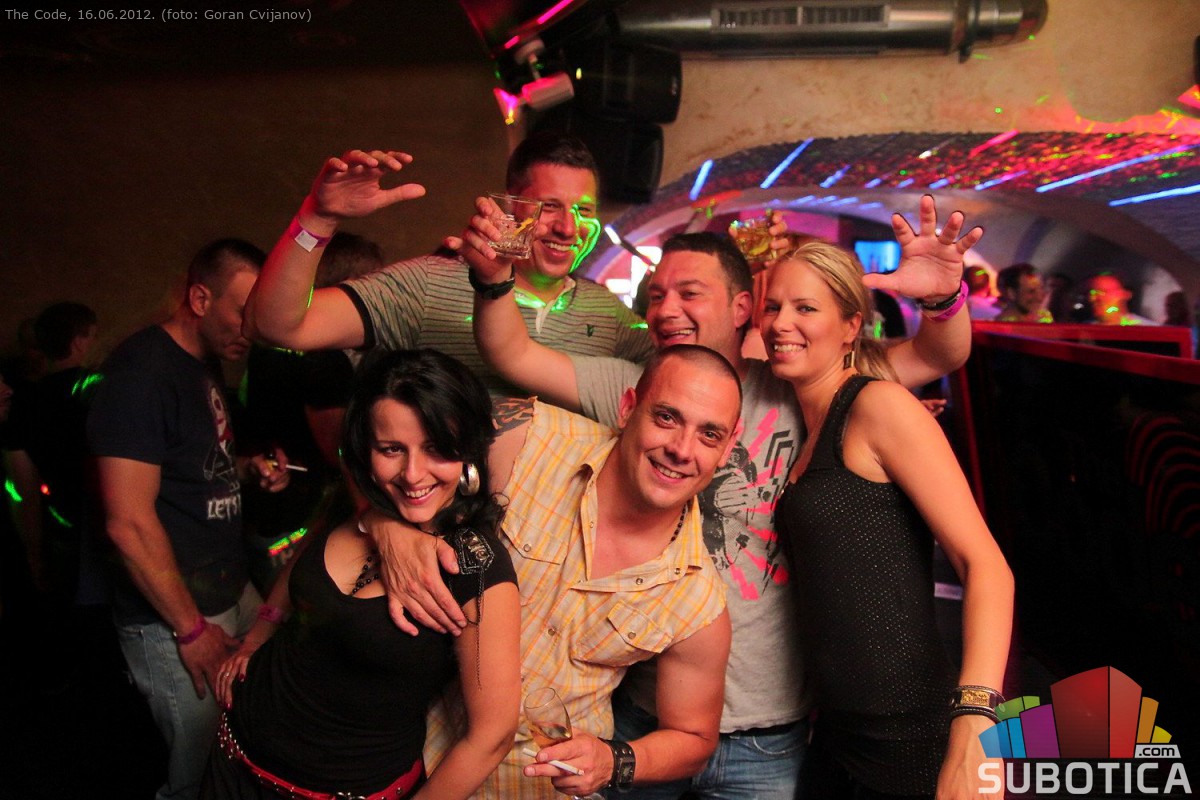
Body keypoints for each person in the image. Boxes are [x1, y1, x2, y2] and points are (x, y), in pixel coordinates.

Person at [402, 194, 978, 799]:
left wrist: (942, 298)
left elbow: (937, 354)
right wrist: (494, 282)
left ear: (740, 308)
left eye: (689, 293)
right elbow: (512, 353)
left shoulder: (796, 381)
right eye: (656, 295)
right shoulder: (634, 385)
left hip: (768, 731)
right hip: (645, 714)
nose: (667, 309)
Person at [370, 345, 738, 798]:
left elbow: (694, 739)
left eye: (709, 435)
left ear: (727, 449)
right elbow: (383, 448)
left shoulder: (698, 599)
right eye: (666, 417)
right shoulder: (530, 437)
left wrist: (613, 760)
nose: (682, 449)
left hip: (532, 787)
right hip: (403, 748)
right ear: (628, 408)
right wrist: (385, 526)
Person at [201, 348, 521, 800]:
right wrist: (257, 636)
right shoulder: (358, 508)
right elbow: (300, 565)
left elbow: (492, 737)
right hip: (231, 761)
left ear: (467, 449)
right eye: (392, 449)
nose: (413, 475)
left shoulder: (476, 567)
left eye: (436, 448)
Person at [760, 240, 1014, 799]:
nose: (781, 323)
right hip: (838, 737)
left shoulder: (879, 406)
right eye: (772, 307)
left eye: (805, 308)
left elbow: (987, 566)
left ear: (851, 325)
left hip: (912, 739)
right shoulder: (806, 418)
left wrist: (975, 725)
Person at [87, 238, 293, 800]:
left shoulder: (202, 365)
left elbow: (192, 467)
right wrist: (192, 629)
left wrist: (248, 469)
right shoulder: (140, 373)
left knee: (240, 741)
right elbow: (127, 522)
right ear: (200, 299)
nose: (253, 328)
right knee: (198, 776)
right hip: (175, 615)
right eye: (243, 312)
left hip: (227, 588)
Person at [242, 136, 654, 396]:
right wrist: (317, 218)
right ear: (511, 205)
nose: (568, 227)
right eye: (549, 206)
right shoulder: (428, 284)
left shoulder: (612, 319)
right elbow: (276, 326)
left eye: (584, 210)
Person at [239, 232, 386, 587]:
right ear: (349, 290)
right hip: (296, 522)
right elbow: (339, 452)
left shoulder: (268, 346)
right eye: (376, 291)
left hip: (263, 505)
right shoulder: (326, 359)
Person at [1086, 272, 1155, 326]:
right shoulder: (1085, 329)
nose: (1093, 298)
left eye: (1103, 292)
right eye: (1092, 293)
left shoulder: (1149, 330)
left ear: (1125, 294)